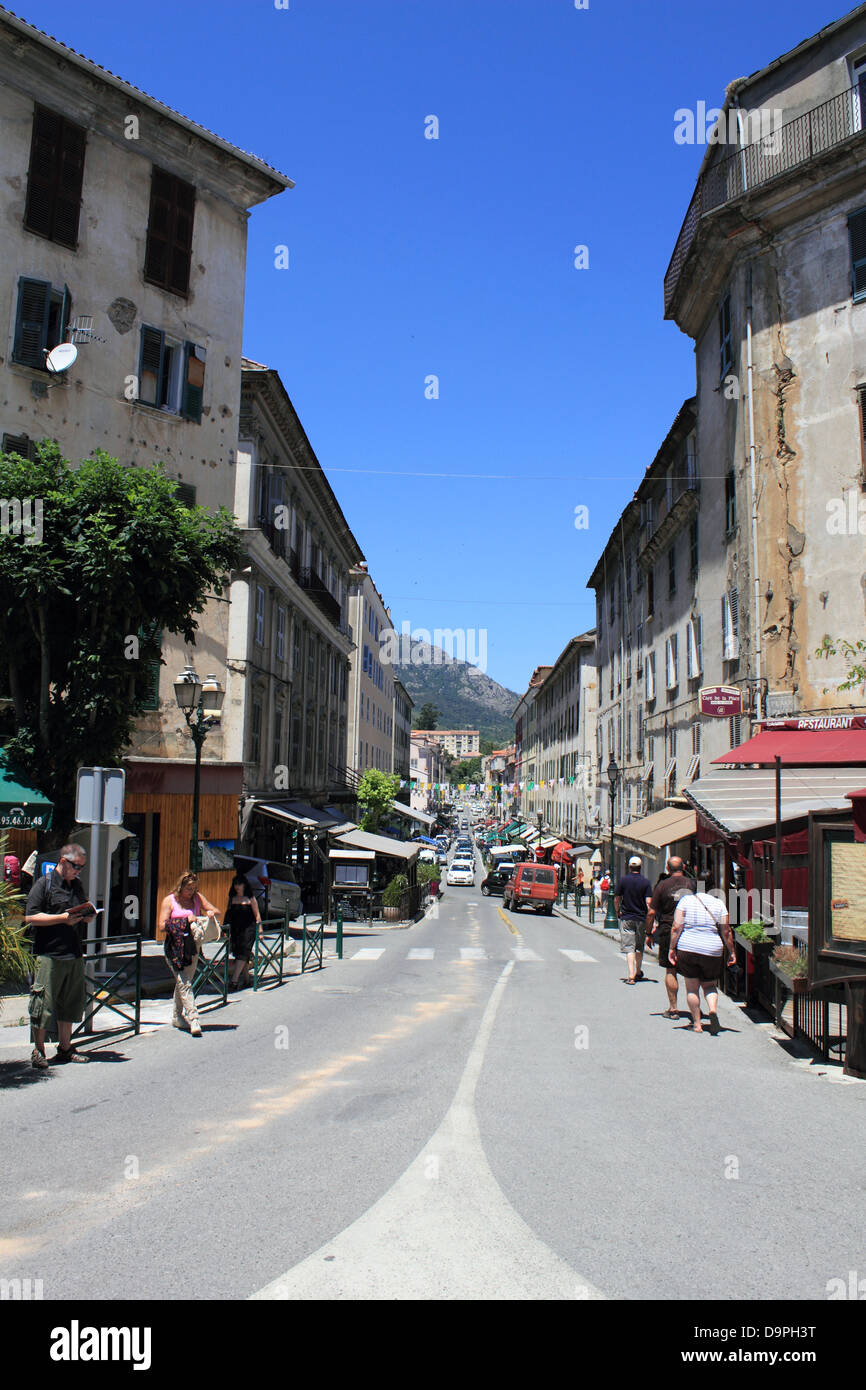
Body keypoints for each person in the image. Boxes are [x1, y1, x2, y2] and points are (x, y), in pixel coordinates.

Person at [24, 843, 95, 1068]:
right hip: (49, 953)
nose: (78, 871)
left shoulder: (76, 886)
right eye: (75, 866)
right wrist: (62, 918)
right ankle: (39, 1050)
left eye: (81, 868)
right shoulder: (43, 884)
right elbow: (31, 917)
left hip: (72, 952)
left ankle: (65, 1047)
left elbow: (82, 908)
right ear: (63, 861)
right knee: (42, 1003)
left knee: (71, 1003)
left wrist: (87, 916)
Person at [158, 871, 220, 1037]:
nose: (191, 891)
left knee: (184, 982)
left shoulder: (197, 898)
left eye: (193, 888)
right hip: (174, 948)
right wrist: (185, 921)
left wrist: (210, 913)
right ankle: (194, 1019)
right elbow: (161, 925)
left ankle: (177, 1017)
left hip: (192, 948)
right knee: (184, 983)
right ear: (180, 886)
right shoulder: (169, 900)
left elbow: (215, 909)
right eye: (188, 888)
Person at [669, 888, 735, 1033]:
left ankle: (697, 1024)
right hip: (712, 949)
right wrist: (732, 952)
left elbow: (676, 927)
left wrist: (672, 948)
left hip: (688, 946)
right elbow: (726, 931)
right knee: (710, 985)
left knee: (692, 988)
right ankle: (712, 1010)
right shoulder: (719, 904)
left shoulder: (685, 901)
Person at [646, 856, 696, 1019]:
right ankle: (696, 1008)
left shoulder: (662, 885)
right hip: (689, 929)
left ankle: (673, 1008)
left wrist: (649, 933)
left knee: (671, 969)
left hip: (668, 929)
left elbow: (652, 912)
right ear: (683, 867)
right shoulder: (691, 884)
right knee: (691, 971)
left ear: (668, 868)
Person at [614, 855, 653, 985]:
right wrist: (651, 918)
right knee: (639, 946)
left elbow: (617, 898)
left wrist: (617, 910)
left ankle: (630, 974)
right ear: (640, 867)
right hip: (641, 917)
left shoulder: (623, 880)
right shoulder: (646, 882)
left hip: (627, 917)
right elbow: (649, 902)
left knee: (629, 947)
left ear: (629, 867)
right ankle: (638, 971)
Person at [225, 874, 261, 991]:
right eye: (235, 884)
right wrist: (225, 929)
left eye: (239, 884)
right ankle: (246, 980)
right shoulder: (232, 898)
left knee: (244, 951)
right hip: (236, 930)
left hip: (248, 929)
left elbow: (257, 915)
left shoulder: (250, 898)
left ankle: (234, 981)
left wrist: (260, 930)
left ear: (244, 885)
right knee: (240, 953)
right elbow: (228, 914)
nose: (237, 886)